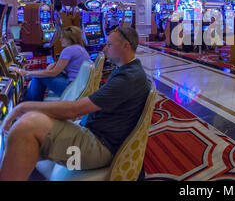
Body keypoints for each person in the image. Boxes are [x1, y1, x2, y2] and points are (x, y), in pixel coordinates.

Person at [0, 27, 151, 180]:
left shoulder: (128, 78)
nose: (105, 48)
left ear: (126, 45)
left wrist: (24, 106)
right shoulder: (127, 69)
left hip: (100, 148)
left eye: (109, 45)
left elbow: (74, 110)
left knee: (26, 127)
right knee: (28, 130)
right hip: (96, 134)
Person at [12, 26, 91, 102]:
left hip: (72, 88)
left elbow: (53, 73)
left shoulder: (69, 50)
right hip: (80, 85)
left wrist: (28, 73)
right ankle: (33, 101)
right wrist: (54, 64)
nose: (60, 40)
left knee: (38, 76)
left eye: (63, 37)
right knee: (41, 73)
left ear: (70, 39)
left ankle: (29, 105)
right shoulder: (80, 48)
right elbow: (67, 64)